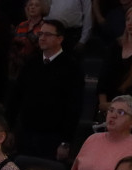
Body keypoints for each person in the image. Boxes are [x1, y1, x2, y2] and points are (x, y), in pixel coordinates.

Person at [8, 19, 84, 162]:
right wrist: (10, 128)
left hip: (54, 136)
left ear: (60, 39)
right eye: (40, 34)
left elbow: (74, 107)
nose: (42, 38)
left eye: (47, 34)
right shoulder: (31, 63)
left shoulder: (71, 67)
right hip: (26, 132)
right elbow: (16, 97)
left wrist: (66, 141)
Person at [96, 4, 132, 117]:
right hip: (107, 104)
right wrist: (103, 104)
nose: (130, 23)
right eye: (128, 19)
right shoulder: (116, 46)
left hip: (131, 108)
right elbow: (103, 77)